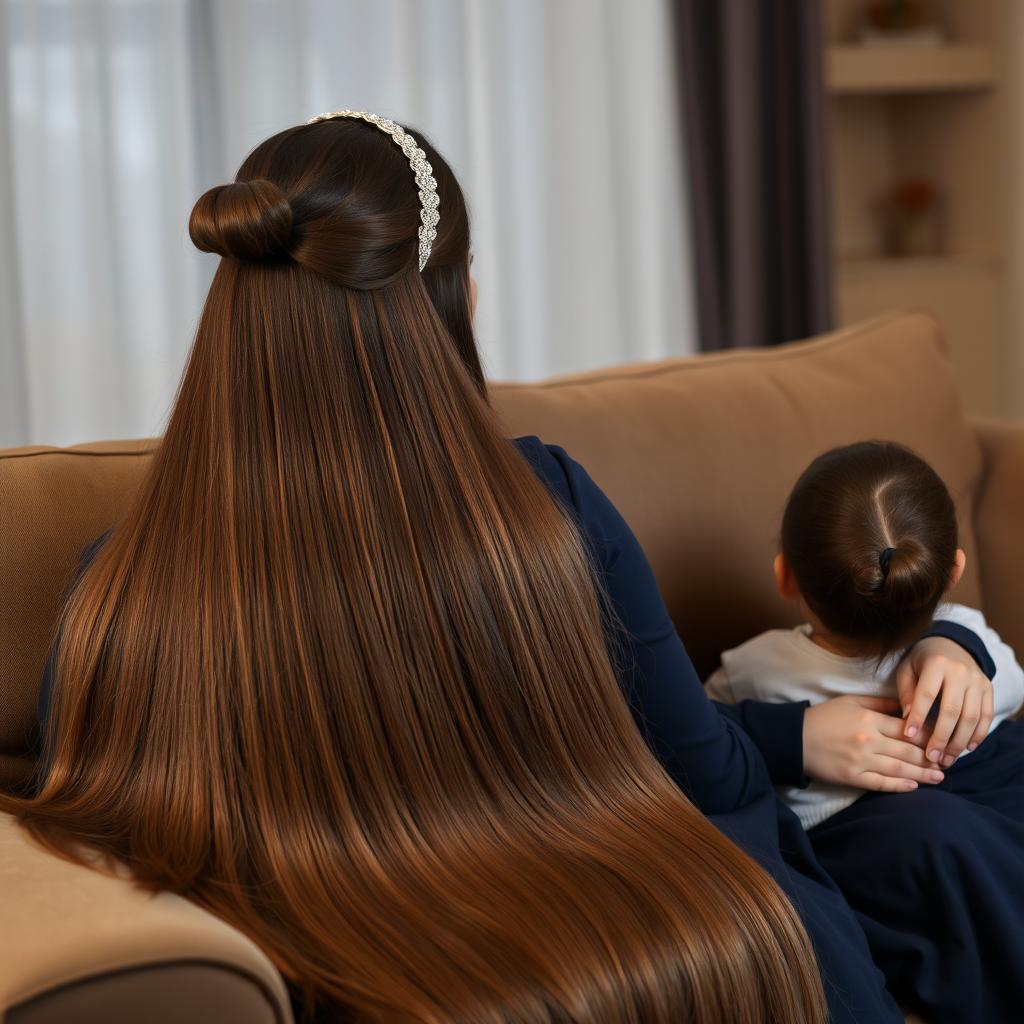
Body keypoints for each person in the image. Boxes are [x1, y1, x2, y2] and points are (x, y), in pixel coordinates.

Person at [1, 112, 995, 1022]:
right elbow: (699, 772)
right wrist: (792, 742)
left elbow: (101, 816)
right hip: (643, 927)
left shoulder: (113, 583)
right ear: (454, 295)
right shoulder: (543, 501)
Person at [708, 441, 1024, 1023]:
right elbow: (1013, 682)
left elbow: (701, 745)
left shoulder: (750, 671)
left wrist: (948, 645)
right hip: (913, 839)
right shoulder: (964, 635)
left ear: (784, 575)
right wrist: (958, 647)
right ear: (955, 568)